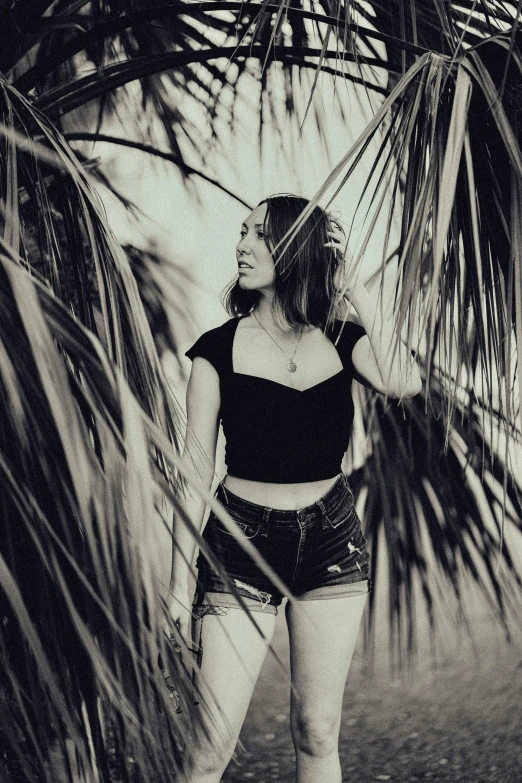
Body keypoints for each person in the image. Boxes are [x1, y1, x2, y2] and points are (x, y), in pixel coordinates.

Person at [168, 194, 421, 783]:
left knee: (316, 731)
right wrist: (180, 587)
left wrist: (356, 287)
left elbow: (404, 379)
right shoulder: (216, 350)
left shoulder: (341, 338)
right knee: (208, 751)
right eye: (241, 233)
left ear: (295, 248)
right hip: (239, 547)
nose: (242, 245)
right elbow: (195, 470)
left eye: (260, 234)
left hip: (331, 542)